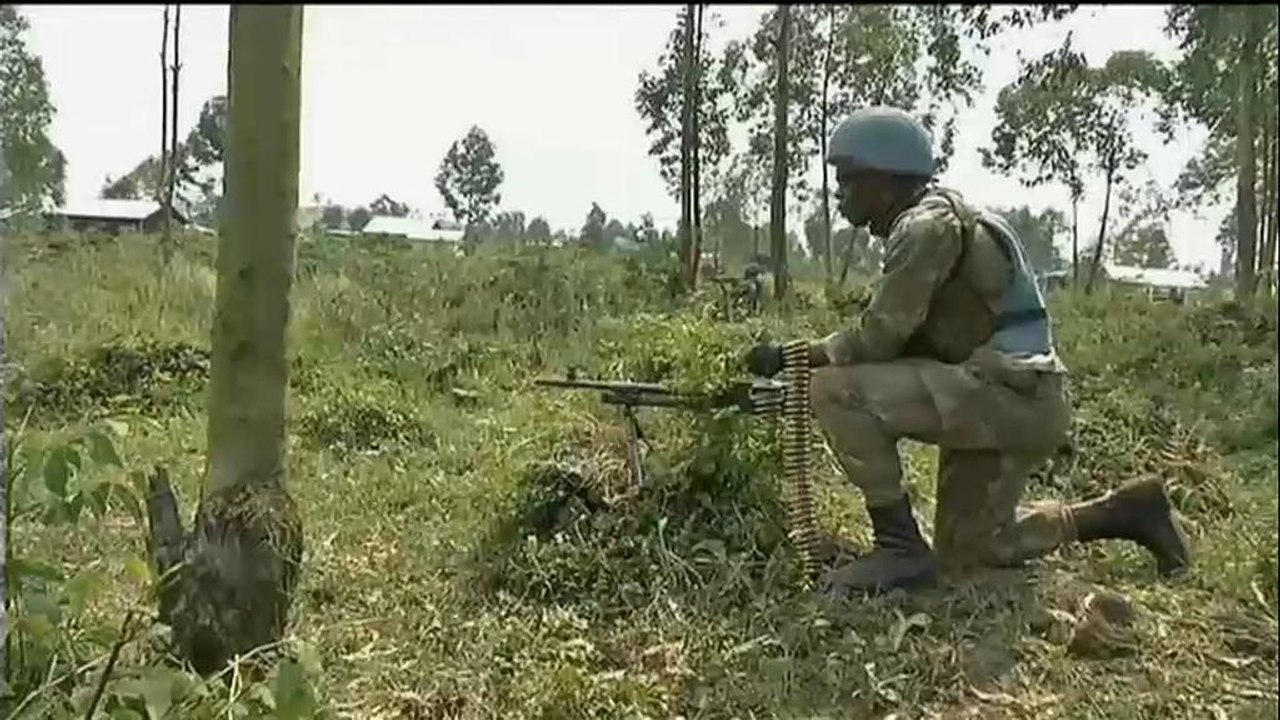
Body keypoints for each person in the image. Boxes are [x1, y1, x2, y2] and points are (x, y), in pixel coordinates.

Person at [745, 106, 1191, 596]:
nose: (842, 194)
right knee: (971, 550)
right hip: (1014, 397)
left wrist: (797, 356)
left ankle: (898, 547)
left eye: (849, 181)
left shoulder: (923, 229)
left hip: (1010, 396)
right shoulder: (940, 218)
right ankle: (1127, 511)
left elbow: (878, 340)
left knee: (832, 388)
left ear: (884, 181)